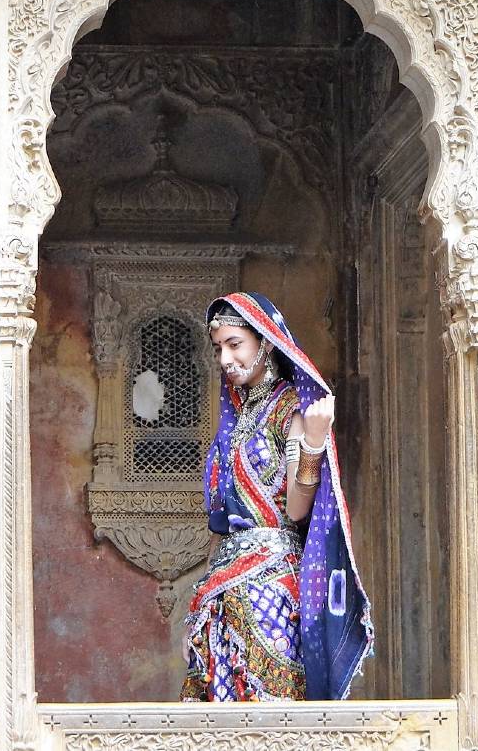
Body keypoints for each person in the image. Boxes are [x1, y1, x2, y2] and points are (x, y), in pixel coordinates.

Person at [180, 292, 372, 702]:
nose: (225, 359)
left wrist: (314, 444)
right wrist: (201, 596)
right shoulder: (233, 422)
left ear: (265, 342)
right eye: (219, 349)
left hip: (271, 582)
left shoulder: (291, 411)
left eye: (235, 345)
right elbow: (221, 526)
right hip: (221, 588)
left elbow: (298, 511)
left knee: (273, 713)